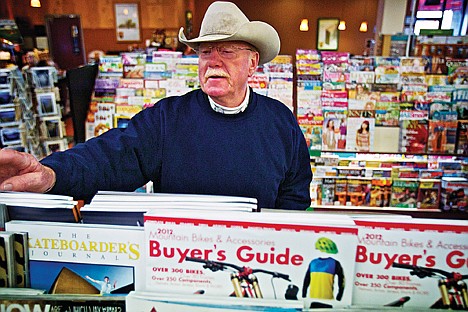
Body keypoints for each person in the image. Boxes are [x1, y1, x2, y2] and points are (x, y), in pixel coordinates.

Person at [0, 1, 312, 210]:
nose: (213, 62)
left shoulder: (280, 122)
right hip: (178, 259)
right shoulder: (168, 118)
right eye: (205, 53)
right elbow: (109, 158)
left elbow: (294, 193)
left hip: (253, 260)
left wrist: (275, 238)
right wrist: (51, 173)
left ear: (252, 63)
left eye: (227, 52)